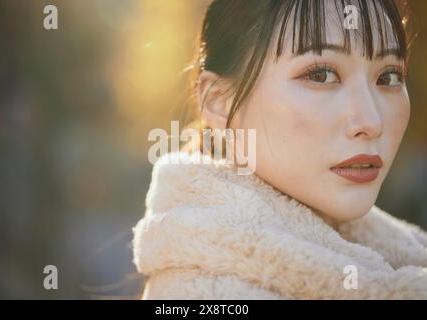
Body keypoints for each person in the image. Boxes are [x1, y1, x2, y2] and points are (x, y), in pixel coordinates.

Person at [132, 0, 427, 299]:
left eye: (388, 77)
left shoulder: (405, 254)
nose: (372, 121)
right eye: (321, 75)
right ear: (218, 102)